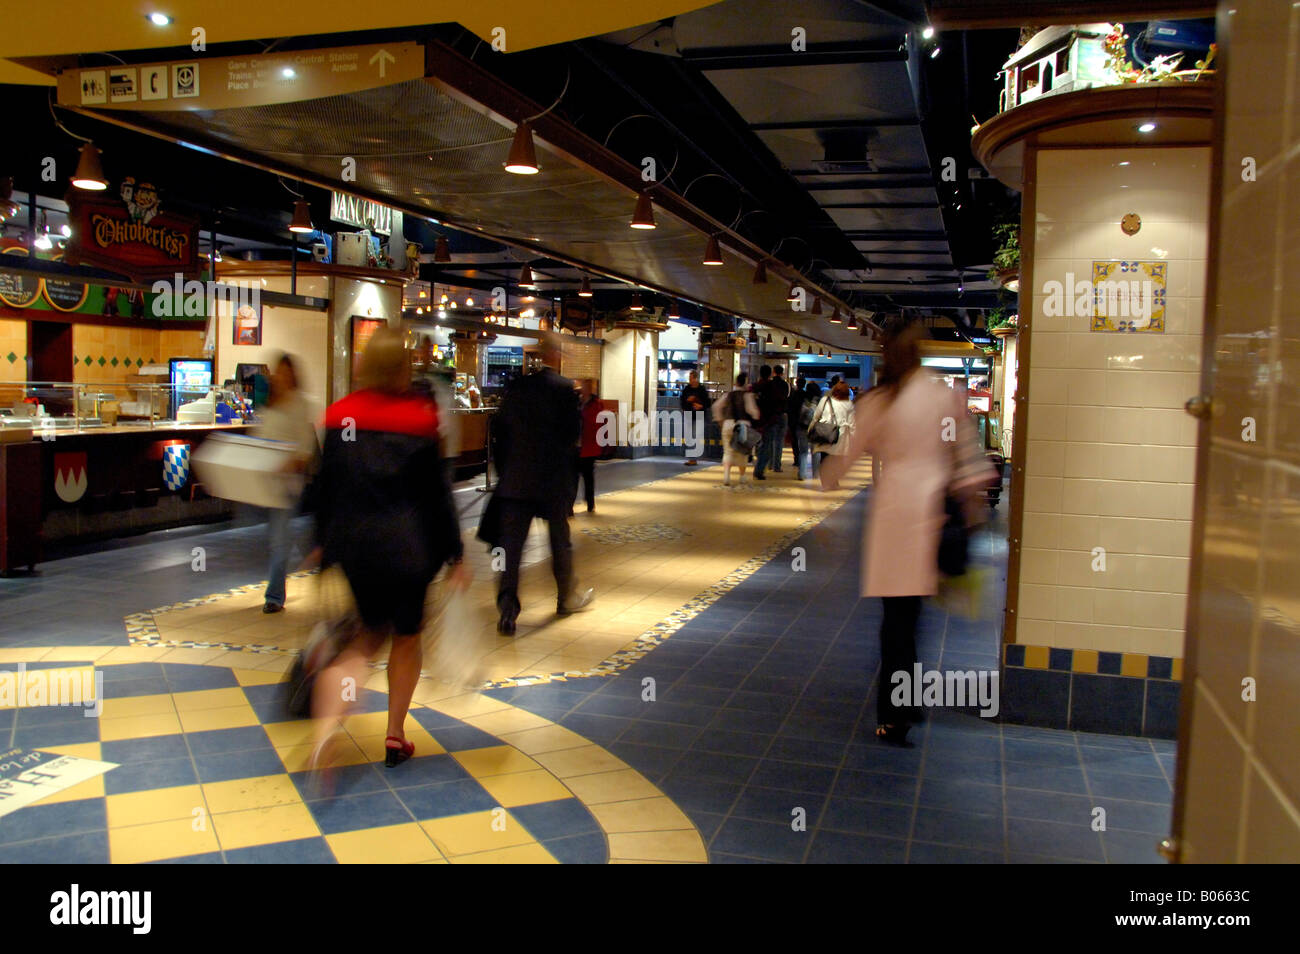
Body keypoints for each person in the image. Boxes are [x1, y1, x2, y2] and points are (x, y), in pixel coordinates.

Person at [820, 323, 989, 745]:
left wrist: (826, 479)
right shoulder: (939, 393)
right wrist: (972, 509)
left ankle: (896, 714)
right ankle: (908, 700)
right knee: (912, 620)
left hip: (896, 518)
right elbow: (965, 454)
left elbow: (845, 458)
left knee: (897, 622)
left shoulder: (878, 401)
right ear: (918, 354)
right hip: (933, 516)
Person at [311, 326, 468, 769]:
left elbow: (326, 488)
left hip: (357, 547)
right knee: (407, 638)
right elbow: (438, 494)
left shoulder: (340, 417)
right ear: (401, 367)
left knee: (363, 641)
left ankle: (326, 729)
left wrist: (322, 544)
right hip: (410, 548)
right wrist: (455, 553)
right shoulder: (420, 421)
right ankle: (395, 735)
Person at [485, 339, 593, 635]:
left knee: (510, 549)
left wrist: (504, 472)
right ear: (555, 356)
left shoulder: (517, 386)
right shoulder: (564, 390)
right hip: (552, 480)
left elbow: (499, 431)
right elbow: (572, 437)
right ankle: (565, 598)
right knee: (560, 541)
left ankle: (507, 610)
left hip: (516, 482)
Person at [256, 355, 318, 614]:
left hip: (288, 484)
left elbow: (305, 447)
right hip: (266, 483)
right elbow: (260, 436)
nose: (281, 377)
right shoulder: (270, 403)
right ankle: (312, 549)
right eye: (278, 372)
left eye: (285, 372)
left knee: (279, 539)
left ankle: (274, 596)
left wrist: (291, 464)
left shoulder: (300, 405)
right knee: (275, 539)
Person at [712, 371, 760, 487]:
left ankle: (726, 476)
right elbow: (752, 411)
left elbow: (715, 406)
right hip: (743, 425)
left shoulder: (728, 395)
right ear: (746, 383)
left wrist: (720, 420)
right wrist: (756, 416)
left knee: (728, 451)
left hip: (728, 424)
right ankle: (742, 476)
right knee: (742, 452)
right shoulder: (747, 396)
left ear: (736, 382)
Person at [809, 379, 855, 475]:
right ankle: (833, 480)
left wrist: (811, 428)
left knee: (824, 458)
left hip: (825, 432)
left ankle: (826, 482)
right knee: (837, 460)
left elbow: (816, 416)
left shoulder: (825, 400)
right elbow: (852, 424)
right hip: (841, 436)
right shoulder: (849, 404)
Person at [753, 365, 790, 480]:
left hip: (760, 419)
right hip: (775, 417)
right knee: (777, 442)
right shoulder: (783, 385)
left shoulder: (757, 386)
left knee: (763, 443)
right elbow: (784, 400)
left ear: (773, 372)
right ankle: (774, 465)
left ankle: (764, 465)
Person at [574, 379, 601, 514]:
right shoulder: (576, 402)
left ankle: (590, 503)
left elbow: (596, 424)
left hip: (589, 448)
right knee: (573, 478)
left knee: (588, 477)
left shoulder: (596, 404)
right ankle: (569, 507)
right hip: (575, 446)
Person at [679, 370, 710, 467]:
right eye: (689, 378)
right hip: (689, 414)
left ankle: (694, 457)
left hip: (699, 415)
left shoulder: (701, 389)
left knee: (695, 435)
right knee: (689, 436)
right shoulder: (687, 389)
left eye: (691, 378)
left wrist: (700, 405)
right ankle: (692, 458)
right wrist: (685, 406)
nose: (690, 380)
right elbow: (682, 401)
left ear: (696, 378)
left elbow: (707, 403)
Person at [787, 374, 809, 480]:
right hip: (803, 422)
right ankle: (800, 459)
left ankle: (796, 459)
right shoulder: (806, 395)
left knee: (794, 441)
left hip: (793, 421)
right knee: (803, 443)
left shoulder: (793, 395)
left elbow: (789, 408)